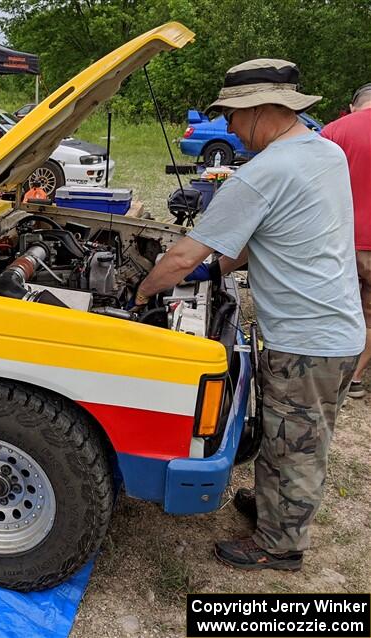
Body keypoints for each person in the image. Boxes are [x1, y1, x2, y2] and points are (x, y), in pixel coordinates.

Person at [134, 59, 365, 571]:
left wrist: (140, 293)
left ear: (262, 111)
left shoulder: (265, 172)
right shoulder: (322, 152)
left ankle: (280, 546)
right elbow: (265, 235)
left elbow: (180, 258)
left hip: (309, 339)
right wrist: (214, 268)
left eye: (233, 117)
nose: (230, 130)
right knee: (284, 430)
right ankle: (272, 506)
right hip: (333, 329)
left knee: (299, 444)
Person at [321, 83, 371, 399]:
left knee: (333, 308)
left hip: (338, 239)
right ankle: (355, 377)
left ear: (353, 106)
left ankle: (327, 373)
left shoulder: (333, 132)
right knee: (369, 316)